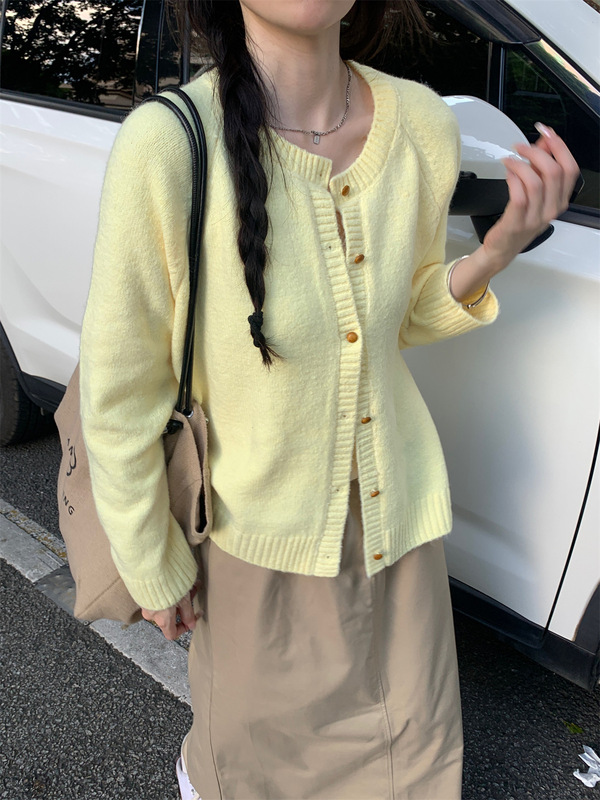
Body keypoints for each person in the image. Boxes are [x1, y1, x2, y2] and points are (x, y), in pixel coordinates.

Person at [78, 1, 580, 798]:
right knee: (249, 779)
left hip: (400, 537)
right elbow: (120, 393)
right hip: (256, 551)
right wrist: (152, 565)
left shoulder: (420, 122)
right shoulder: (169, 144)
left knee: (414, 772)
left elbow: (395, 317)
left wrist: (496, 252)